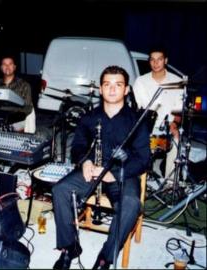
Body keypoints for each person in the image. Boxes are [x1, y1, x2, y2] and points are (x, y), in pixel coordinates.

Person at [52, 66, 150, 270]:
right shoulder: (89, 117)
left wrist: (113, 174)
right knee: (60, 190)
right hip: (92, 170)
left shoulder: (137, 121)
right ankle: (69, 247)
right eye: (107, 84)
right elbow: (78, 146)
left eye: (118, 85)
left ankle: (105, 258)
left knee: (131, 204)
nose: (112, 89)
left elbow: (143, 160)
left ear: (126, 90)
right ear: (100, 88)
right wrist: (85, 161)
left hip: (121, 174)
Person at [133, 46, 183, 179]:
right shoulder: (141, 81)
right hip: (147, 125)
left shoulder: (177, 82)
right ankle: (139, 181)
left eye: (159, 59)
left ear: (165, 60)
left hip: (168, 126)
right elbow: (141, 109)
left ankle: (170, 184)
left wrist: (174, 124)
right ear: (149, 61)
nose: (156, 63)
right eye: (152, 60)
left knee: (177, 140)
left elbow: (179, 110)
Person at [0, 56, 34, 132]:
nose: (7, 66)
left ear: (14, 67)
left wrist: (12, 116)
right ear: (1, 68)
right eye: (4, 64)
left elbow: (28, 108)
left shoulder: (24, 85)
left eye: (10, 64)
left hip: (17, 120)